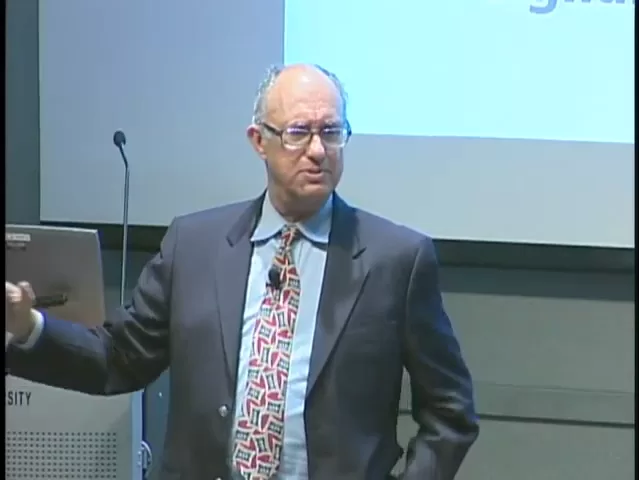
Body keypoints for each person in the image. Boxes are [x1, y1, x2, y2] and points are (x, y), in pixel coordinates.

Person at [5, 63, 478, 480]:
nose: (318, 150)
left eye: (332, 132)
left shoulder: (395, 260)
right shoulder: (194, 246)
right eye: (299, 132)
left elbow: (450, 412)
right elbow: (120, 358)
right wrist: (28, 328)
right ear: (259, 141)